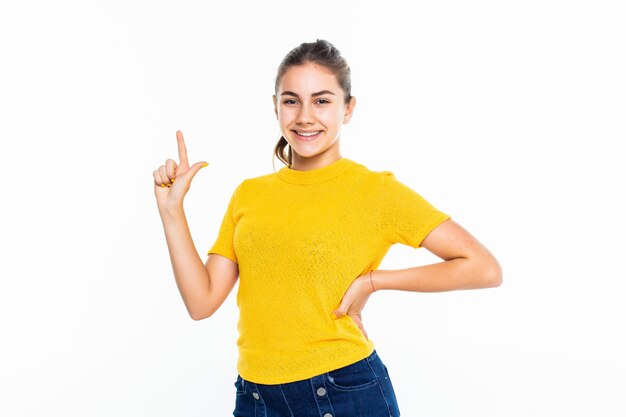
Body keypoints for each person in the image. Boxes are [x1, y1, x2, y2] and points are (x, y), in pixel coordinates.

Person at [153, 39, 502, 417]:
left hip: (343, 392)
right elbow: (201, 303)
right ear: (275, 107)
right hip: (255, 399)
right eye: (291, 100)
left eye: (321, 101)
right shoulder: (249, 195)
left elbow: (483, 267)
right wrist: (172, 211)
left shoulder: (374, 191)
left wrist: (374, 281)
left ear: (348, 108)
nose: (305, 116)